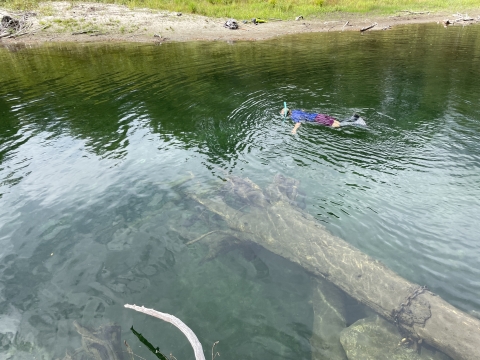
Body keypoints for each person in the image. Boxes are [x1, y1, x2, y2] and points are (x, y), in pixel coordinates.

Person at [280, 108, 365, 134]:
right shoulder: (295, 110)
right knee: (337, 122)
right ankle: (353, 118)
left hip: (317, 119)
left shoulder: (293, 117)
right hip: (318, 115)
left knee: (337, 126)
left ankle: (356, 122)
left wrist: (294, 129)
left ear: (287, 115)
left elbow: (298, 123)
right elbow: (303, 110)